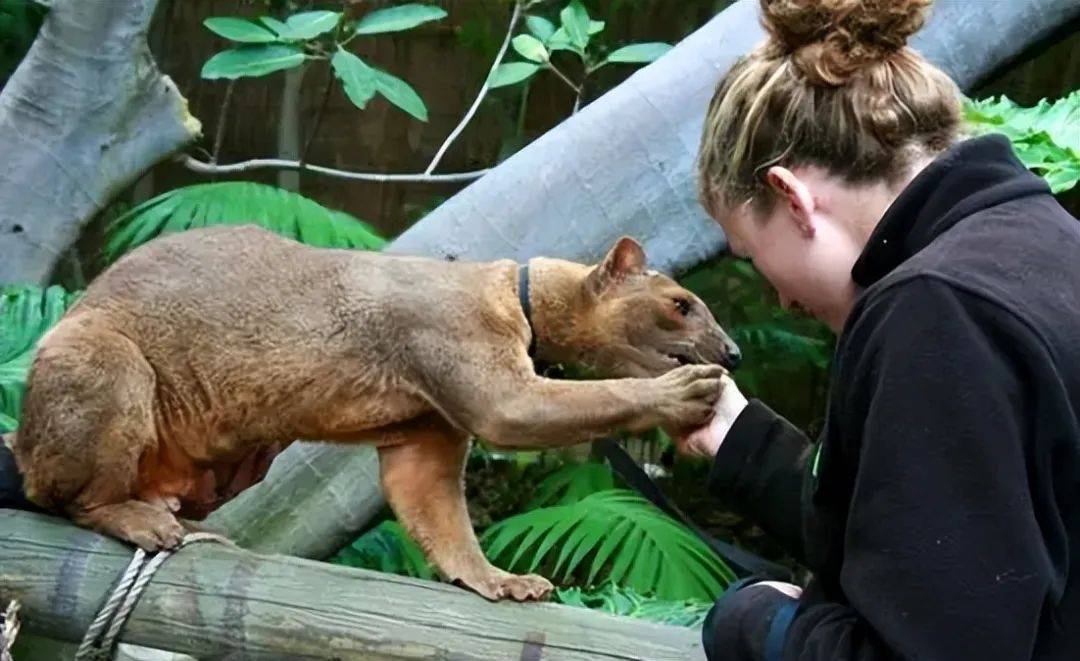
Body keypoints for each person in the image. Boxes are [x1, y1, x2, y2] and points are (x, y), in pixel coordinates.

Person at [681, 0, 1080, 659]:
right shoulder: (1036, 247)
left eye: (753, 256)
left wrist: (754, 622)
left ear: (792, 197)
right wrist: (739, 439)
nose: (777, 295)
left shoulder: (937, 313)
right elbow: (944, 542)